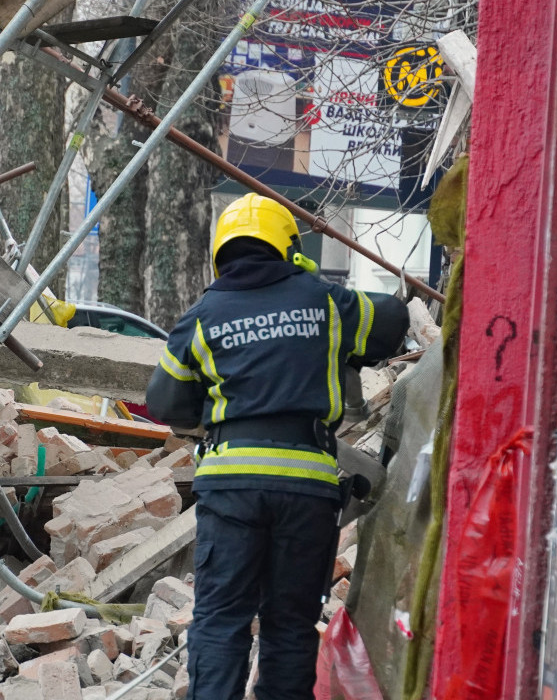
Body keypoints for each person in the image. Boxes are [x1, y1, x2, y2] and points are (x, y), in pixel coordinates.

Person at [146, 194, 408, 700]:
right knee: (290, 623)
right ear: (289, 248)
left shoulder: (202, 316)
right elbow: (392, 321)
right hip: (307, 488)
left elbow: (165, 402)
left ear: (221, 252)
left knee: (221, 618)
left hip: (231, 487)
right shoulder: (326, 302)